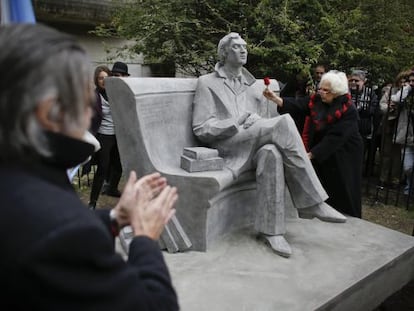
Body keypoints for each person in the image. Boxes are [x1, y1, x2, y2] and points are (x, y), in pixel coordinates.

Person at [0, 24, 179, 310]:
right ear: (50, 112)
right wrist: (144, 238)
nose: (90, 114)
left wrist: (115, 218)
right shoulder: (65, 229)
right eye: (85, 103)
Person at [192, 32, 346, 258]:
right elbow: (201, 128)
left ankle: (272, 232)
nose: (243, 50)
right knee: (283, 122)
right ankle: (311, 201)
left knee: (271, 153)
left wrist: (256, 121)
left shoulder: (252, 84)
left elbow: (262, 121)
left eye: (244, 46)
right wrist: (236, 122)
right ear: (224, 52)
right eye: (236, 47)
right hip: (227, 146)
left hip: (253, 142)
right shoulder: (207, 83)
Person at [264, 70, 364, 218]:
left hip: (344, 152)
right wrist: (276, 99)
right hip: (322, 148)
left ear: (336, 93)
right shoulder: (317, 100)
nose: (321, 92)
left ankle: (347, 216)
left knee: (343, 185)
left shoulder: (348, 110)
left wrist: (312, 154)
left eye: (326, 90)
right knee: (322, 181)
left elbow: (336, 137)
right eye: (320, 89)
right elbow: (299, 105)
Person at [88, 65, 123, 208]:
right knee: (102, 169)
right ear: (96, 80)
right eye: (100, 78)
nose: (103, 80)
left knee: (119, 165)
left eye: (106, 77)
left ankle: (111, 188)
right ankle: (93, 202)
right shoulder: (95, 96)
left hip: (119, 136)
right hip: (104, 136)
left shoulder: (116, 92)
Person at [100, 61, 130, 196]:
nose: (120, 78)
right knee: (104, 162)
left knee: (118, 163)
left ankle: (112, 187)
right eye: (117, 75)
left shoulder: (128, 89)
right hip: (105, 132)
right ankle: (105, 184)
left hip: (121, 132)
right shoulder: (104, 90)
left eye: (123, 75)